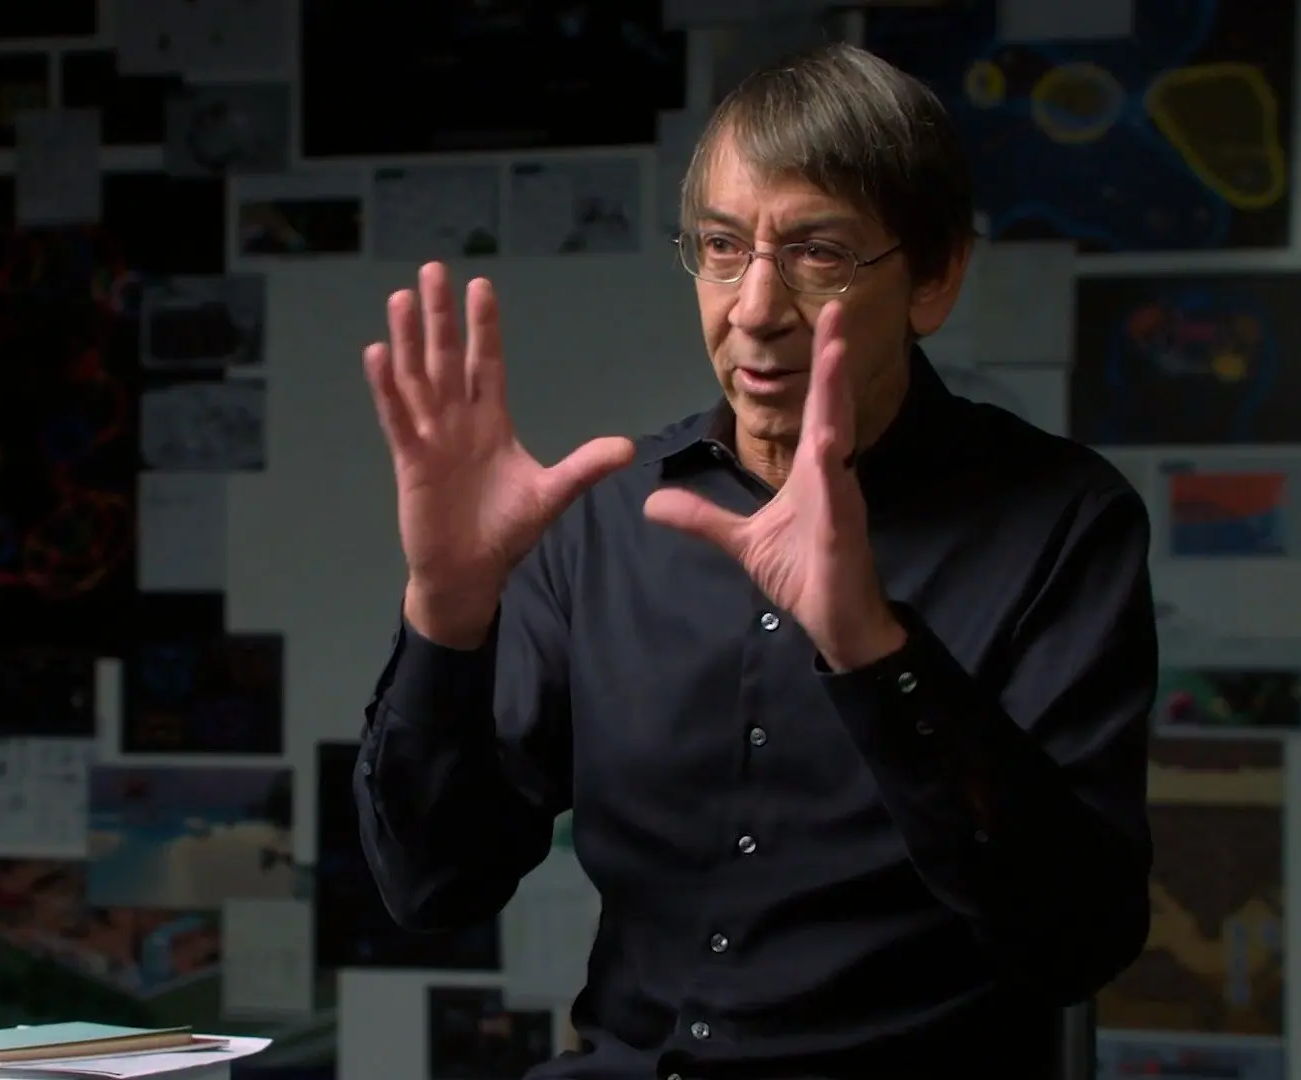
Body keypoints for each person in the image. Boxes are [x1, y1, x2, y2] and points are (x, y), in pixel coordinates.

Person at [353, 42, 1156, 1080]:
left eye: (818, 253)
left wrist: (874, 650)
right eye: (724, 248)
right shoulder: (606, 518)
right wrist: (446, 611)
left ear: (934, 277)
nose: (754, 309)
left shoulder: (1062, 523)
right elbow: (432, 887)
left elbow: (1078, 942)